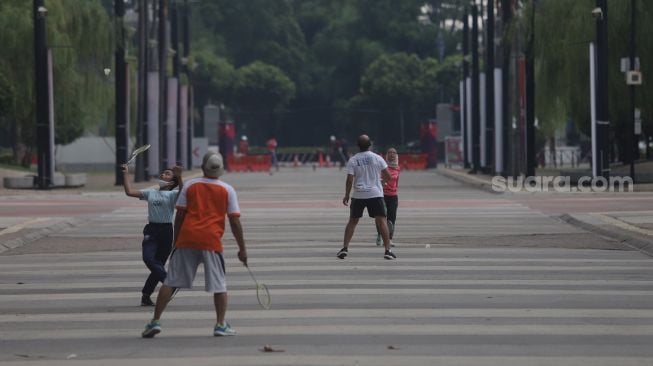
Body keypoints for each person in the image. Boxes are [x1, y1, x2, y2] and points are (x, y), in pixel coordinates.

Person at [142, 151, 247, 338]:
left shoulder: (190, 186)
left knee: (170, 281)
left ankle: (155, 321)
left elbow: (180, 215)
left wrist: (176, 242)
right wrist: (242, 249)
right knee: (220, 285)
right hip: (211, 241)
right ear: (220, 170)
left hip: (187, 238)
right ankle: (220, 324)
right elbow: (234, 221)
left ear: (203, 167)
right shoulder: (227, 190)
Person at [121, 164, 183, 306]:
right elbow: (129, 192)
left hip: (166, 231)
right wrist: (126, 174)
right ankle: (169, 282)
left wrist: (179, 176)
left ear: (172, 182)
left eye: (167, 174)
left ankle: (145, 295)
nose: (163, 175)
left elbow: (183, 191)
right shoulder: (151, 192)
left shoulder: (173, 194)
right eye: (163, 173)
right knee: (148, 258)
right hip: (152, 230)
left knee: (158, 265)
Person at [337, 135, 396, 260]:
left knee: (352, 221)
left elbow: (349, 179)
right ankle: (387, 250)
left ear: (358, 146)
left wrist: (347, 194)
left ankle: (345, 248)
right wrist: (381, 182)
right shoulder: (377, 158)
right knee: (381, 221)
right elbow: (388, 176)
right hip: (375, 194)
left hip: (359, 194)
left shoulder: (353, 160)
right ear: (370, 145)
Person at [376, 148, 400, 246]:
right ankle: (379, 235)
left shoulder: (398, 167)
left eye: (394, 152)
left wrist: (395, 190)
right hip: (382, 195)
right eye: (389, 152)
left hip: (393, 196)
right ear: (387, 155)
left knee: (392, 218)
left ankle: (389, 239)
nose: (392, 154)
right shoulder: (382, 166)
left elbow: (397, 181)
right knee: (381, 217)